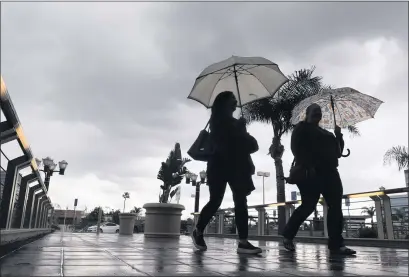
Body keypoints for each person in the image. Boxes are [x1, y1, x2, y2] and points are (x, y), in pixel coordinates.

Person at [191, 91, 262, 254]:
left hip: (236, 167)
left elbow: (253, 146)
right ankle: (198, 230)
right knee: (216, 200)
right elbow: (226, 143)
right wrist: (240, 129)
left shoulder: (235, 124)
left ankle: (243, 241)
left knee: (240, 202)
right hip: (219, 166)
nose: (235, 103)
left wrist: (242, 130)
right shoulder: (218, 123)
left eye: (235, 100)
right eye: (232, 100)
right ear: (223, 104)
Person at [282, 103, 356, 255]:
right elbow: (295, 148)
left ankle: (336, 243)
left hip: (330, 173)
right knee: (308, 205)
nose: (318, 113)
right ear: (307, 114)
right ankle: (288, 235)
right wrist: (309, 166)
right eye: (314, 111)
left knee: (335, 207)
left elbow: (338, 152)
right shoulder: (301, 128)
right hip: (311, 173)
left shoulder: (326, 133)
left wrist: (338, 135)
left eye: (319, 111)